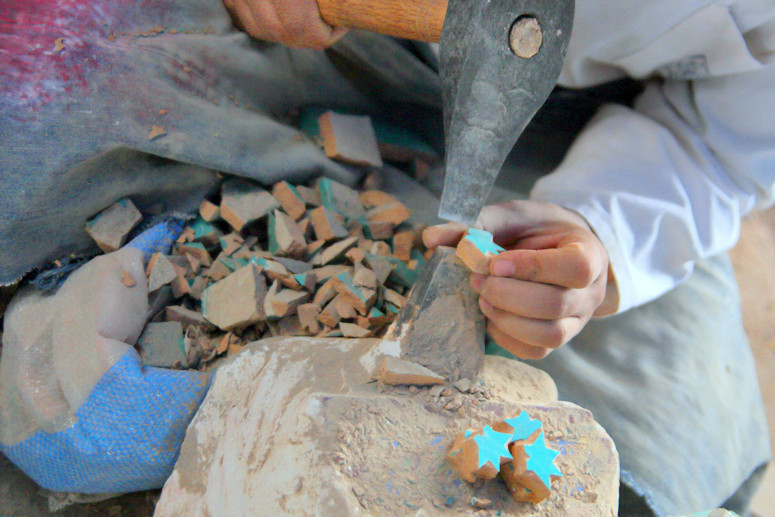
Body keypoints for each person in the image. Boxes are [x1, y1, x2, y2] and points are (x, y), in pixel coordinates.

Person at [0, 0, 771, 515]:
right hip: (319, 38)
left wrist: (600, 235)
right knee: (40, 89)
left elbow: (719, 147)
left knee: (675, 437)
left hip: (569, 139)